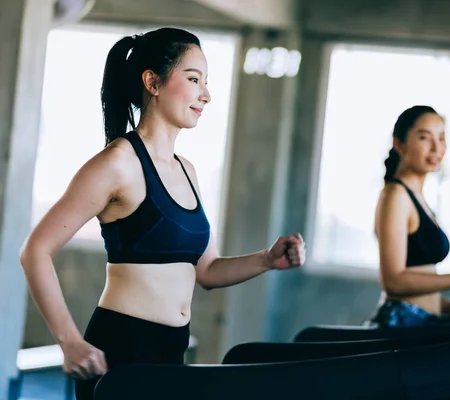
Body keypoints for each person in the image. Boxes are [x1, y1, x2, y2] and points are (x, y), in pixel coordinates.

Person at [19, 27, 306, 400]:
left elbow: (206, 270)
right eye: (193, 79)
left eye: (206, 82)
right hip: (122, 352)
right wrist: (69, 342)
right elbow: (35, 250)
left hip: (171, 351)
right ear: (152, 82)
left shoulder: (188, 171)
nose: (206, 94)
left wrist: (267, 260)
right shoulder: (117, 163)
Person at [366, 105, 450, 329]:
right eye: (424, 138)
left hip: (422, 322)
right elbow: (394, 283)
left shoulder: (417, 198)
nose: (436, 148)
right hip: (401, 325)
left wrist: (447, 306)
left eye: (442, 138)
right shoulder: (395, 195)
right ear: (399, 144)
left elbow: (418, 278)